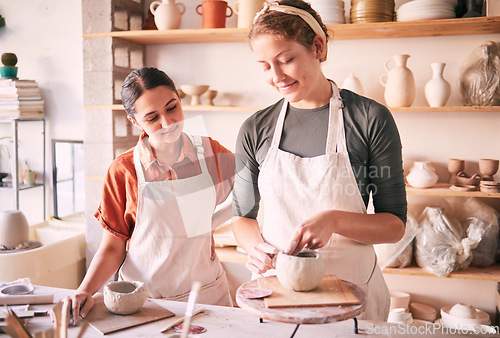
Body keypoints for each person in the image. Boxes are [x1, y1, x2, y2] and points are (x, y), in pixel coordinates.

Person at [231, 0, 407, 321]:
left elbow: (393, 226)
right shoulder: (255, 128)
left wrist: (334, 221)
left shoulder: (370, 119)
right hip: (277, 294)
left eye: (286, 60)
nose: (276, 76)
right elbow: (241, 217)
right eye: (265, 66)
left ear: (317, 46)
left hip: (352, 298)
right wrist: (255, 247)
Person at [66, 67, 235, 322]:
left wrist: (223, 219)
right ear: (135, 122)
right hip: (143, 303)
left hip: (208, 297)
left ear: (179, 99)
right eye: (152, 117)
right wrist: (84, 290)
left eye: (171, 107)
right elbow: (112, 248)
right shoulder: (123, 171)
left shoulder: (211, 153)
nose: (168, 123)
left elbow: (256, 186)